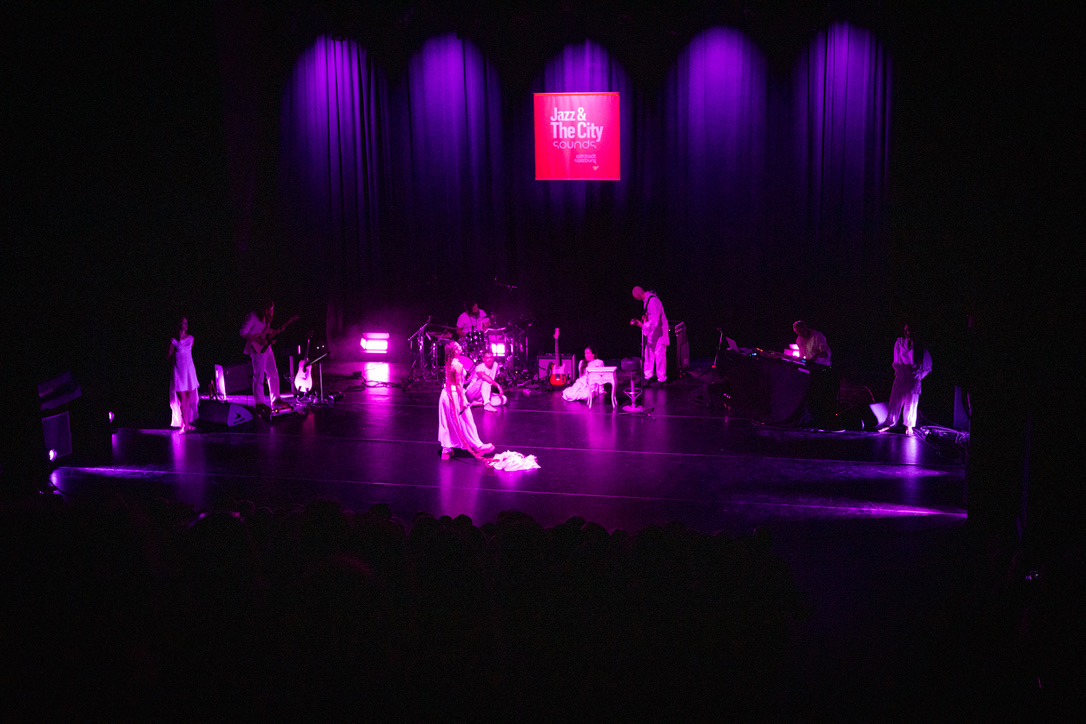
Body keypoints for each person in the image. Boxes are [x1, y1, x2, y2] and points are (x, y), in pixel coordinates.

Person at [438, 341, 495, 459]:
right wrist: (463, 400)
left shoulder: (448, 363)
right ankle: (478, 446)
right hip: (455, 395)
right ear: (455, 351)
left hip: (445, 394)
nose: (461, 347)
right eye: (458, 346)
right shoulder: (458, 365)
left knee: (447, 422)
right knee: (467, 421)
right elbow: (458, 384)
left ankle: (446, 450)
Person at [240, 299, 294, 415]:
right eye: (269, 309)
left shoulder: (265, 319)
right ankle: (259, 403)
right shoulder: (252, 316)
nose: (271, 312)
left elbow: (265, 333)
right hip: (257, 349)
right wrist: (257, 340)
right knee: (259, 376)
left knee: (273, 372)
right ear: (263, 308)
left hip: (267, 348)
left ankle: (276, 399)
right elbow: (242, 332)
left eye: (272, 310)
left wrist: (275, 333)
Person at [878, 322, 933, 436]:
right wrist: (898, 371)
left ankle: (909, 426)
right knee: (895, 400)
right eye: (905, 330)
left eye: (909, 330)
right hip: (901, 374)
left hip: (913, 376)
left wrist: (918, 376)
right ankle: (889, 423)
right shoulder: (899, 342)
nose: (906, 332)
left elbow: (927, 365)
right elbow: (896, 359)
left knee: (911, 402)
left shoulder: (920, 345)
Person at [630, 286, 669, 384]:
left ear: (637, 296)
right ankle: (648, 376)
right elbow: (649, 318)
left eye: (635, 297)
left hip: (659, 334)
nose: (635, 299)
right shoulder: (646, 302)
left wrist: (642, 325)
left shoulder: (653, 301)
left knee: (659, 356)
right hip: (651, 334)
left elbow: (655, 321)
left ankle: (661, 378)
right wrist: (642, 321)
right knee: (648, 355)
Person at [168, 316, 199, 432]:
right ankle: (184, 424)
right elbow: (168, 356)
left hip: (189, 371)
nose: (186, 325)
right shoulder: (174, 341)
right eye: (183, 323)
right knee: (182, 399)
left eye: (186, 323)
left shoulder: (191, 339)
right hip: (179, 372)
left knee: (187, 399)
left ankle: (186, 424)